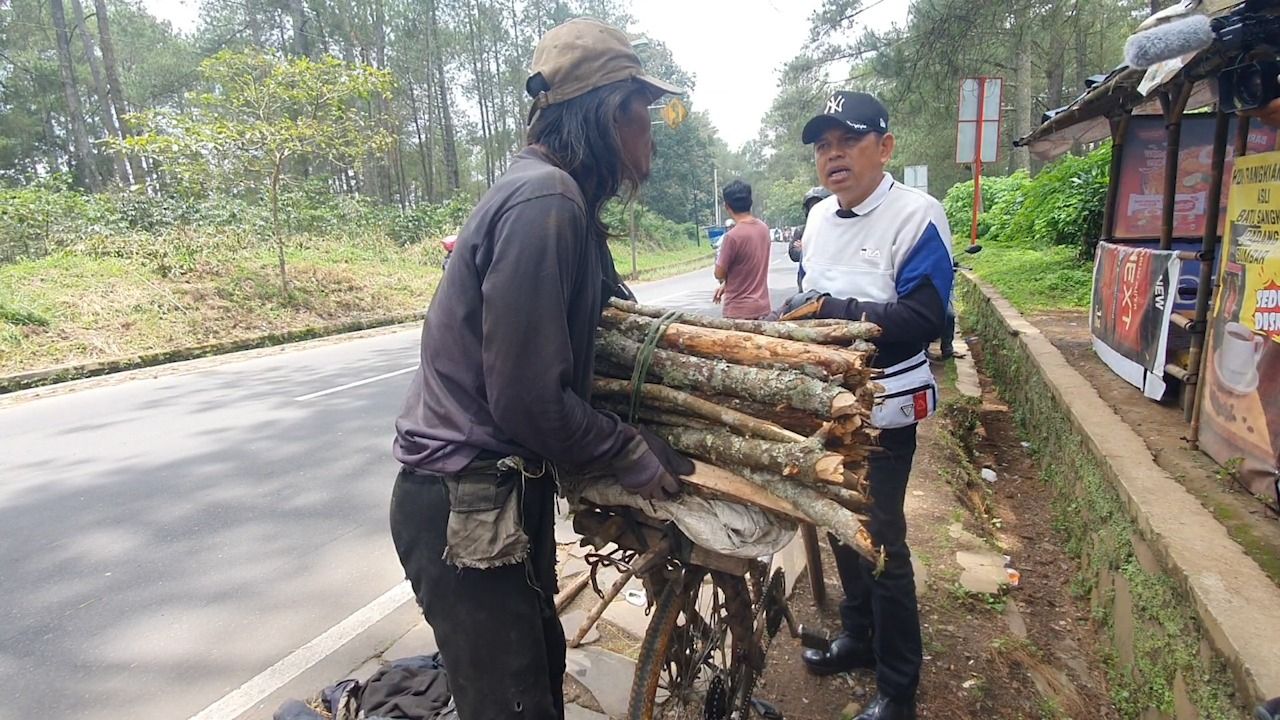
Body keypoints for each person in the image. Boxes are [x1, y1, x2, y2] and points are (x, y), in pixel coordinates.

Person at [388, 18, 692, 720]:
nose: (650, 133)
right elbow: (527, 399)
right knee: (514, 705)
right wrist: (625, 448)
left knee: (537, 677)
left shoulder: (557, 198)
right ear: (612, 113)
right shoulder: (545, 201)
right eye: (645, 113)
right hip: (464, 503)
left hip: (493, 499)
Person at [774, 91, 953, 720]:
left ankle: (899, 686)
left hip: (886, 408)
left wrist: (836, 314)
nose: (832, 155)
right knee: (836, 519)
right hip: (828, 403)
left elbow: (923, 319)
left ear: (884, 147)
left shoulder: (917, 216)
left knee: (880, 537)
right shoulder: (819, 218)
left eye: (846, 140)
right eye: (823, 145)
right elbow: (807, 299)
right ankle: (858, 637)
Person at [712, 180, 772, 319]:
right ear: (750, 202)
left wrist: (724, 280)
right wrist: (727, 285)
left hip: (738, 312)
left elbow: (719, 273)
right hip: (762, 308)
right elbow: (748, 267)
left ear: (727, 206)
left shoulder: (732, 237)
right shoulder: (763, 228)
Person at [788, 186, 833, 291]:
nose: (815, 208)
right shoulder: (802, 230)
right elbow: (793, 254)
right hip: (805, 287)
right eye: (811, 206)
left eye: (818, 204)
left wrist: (806, 246)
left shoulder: (837, 228)